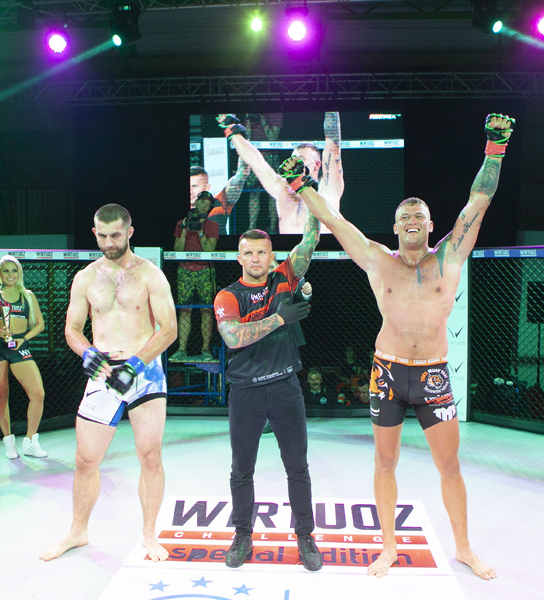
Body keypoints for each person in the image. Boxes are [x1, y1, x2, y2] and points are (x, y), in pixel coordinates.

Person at [289, 113, 514, 580]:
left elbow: (479, 200)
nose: (411, 221)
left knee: (449, 464)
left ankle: (464, 549)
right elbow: (333, 219)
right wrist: (300, 184)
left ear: (431, 224)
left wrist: (495, 148)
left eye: (418, 216)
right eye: (404, 217)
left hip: (432, 373)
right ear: (395, 228)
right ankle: (389, 547)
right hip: (388, 372)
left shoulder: (450, 255)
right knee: (385, 461)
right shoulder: (378, 260)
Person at [213, 113, 323, 572]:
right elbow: (233, 338)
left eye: (262, 252)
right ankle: (242, 535)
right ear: (239, 257)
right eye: (248, 253)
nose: (255, 258)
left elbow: (312, 237)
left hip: (285, 387)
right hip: (245, 391)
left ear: (271, 254)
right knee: (242, 470)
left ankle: (306, 538)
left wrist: (306, 188)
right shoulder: (227, 295)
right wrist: (279, 318)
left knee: (298, 467)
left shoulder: (285, 274)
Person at [40, 204, 177, 562]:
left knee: (150, 456)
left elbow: (169, 330)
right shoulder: (85, 277)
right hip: (103, 373)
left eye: (116, 235)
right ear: (95, 233)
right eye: (102, 236)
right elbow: (72, 329)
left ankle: (149, 535)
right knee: (86, 459)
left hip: (144, 371)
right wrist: (88, 353)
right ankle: (78, 532)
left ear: (129, 232)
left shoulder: (150, 275)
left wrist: (135, 364)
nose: (109, 242)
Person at [0, 255, 47, 459]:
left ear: (19, 273)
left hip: (19, 345)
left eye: (14, 270)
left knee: (38, 393)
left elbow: (40, 324)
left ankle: (31, 441)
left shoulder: (28, 295)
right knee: (1, 394)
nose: (10, 274)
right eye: (6, 271)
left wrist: (24, 339)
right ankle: (8, 441)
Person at [220, 112, 343, 235]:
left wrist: (331, 106)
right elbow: (255, 161)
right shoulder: (283, 189)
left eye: (301, 159)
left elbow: (333, 147)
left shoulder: (328, 189)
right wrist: (232, 131)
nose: (295, 162)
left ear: (317, 165)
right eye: (293, 159)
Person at [172, 190, 219, 361]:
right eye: (202, 201)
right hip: (185, 270)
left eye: (208, 203)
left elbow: (209, 250)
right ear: (196, 203)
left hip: (205, 270)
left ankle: (205, 349)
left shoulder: (212, 225)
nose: (204, 205)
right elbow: (177, 250)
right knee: (185, 310)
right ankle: (181, 349)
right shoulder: (181, 223)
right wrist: (185, 231)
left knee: (206, 309)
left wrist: (200, 232)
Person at [189, 162, 249, 235]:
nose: (190, 191)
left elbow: (239, 179)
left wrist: (245, 157)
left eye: (194, 186)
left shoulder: (218, 203)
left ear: (207, 187)